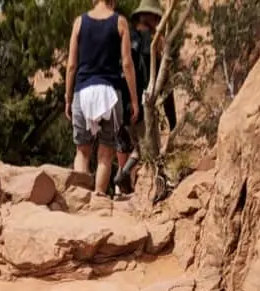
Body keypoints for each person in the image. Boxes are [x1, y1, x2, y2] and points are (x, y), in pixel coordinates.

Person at [65, 0, 139, 198]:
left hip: (83, 91)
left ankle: (80, 197)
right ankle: (98, 194)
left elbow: (71, 65)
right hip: (110, 93)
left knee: (82, 151)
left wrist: (67, 97)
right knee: (106, 153)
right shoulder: (120, 22)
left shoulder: (79, 23)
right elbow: (127, 63)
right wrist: (134, 100)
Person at [114, 0, 177, 194]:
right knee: (149, 150)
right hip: (141, 104)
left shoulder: (125, 37)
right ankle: (135, 181)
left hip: (117, 100)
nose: (158, 21)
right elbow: (164, 84)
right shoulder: (154, 43)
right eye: (157, 17)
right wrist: (173, 120)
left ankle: (120, 189)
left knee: (124, 146)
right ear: (151, 18)